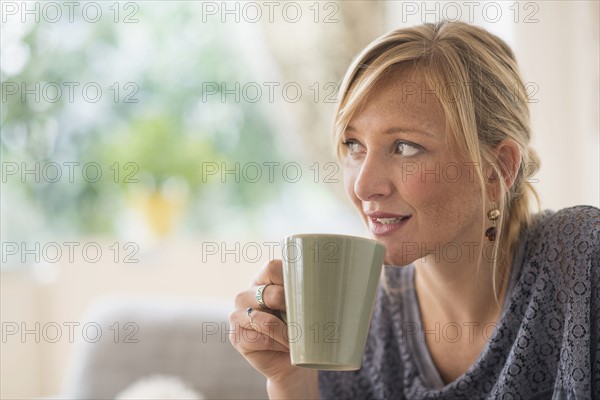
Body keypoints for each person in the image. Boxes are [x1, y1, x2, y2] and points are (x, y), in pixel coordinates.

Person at [228, 21, 599, 399]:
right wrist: (292, 383)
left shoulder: (580, 260)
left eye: (404, 147)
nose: (362, 185)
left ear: (496, 170)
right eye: (354, 145)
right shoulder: (361, 322)